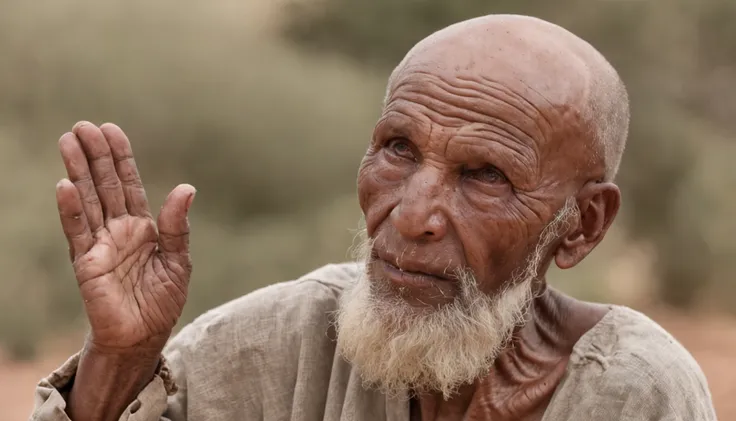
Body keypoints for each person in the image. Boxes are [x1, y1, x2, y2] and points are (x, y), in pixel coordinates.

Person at [31, 14, 715, 421]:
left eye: (484, 176)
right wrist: (119, 360)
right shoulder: (286, 340)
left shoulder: (632, 389)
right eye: (398, 149)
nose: (413, 214)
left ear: (583, 224)